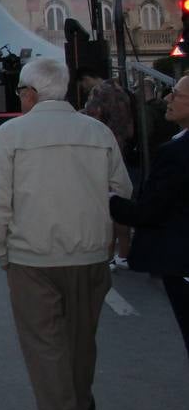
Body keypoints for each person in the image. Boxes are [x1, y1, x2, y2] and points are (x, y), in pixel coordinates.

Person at [0, 57, 132, 410]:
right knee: (82, 340)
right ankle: (78, 407)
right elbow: (121, 191)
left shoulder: (12, 134)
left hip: (33, 256)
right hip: (89, 255)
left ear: (29, 93)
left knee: (45, 348)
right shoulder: (97, 131)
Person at [110, 74, 189, 361]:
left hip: (181, 261)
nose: (168, 99)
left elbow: (149, 211)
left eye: (176, 94)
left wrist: (110, 201)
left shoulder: (176, 152)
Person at [78, 67, 136, 269]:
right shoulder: (121, 91)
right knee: (120, 199)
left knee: (106, 203)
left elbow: (91, 119)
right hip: (122, 147)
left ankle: (108, 254)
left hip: (103, 150)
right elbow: (129, 128)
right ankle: (124, 253)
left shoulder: (99, 92)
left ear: (87, 78)